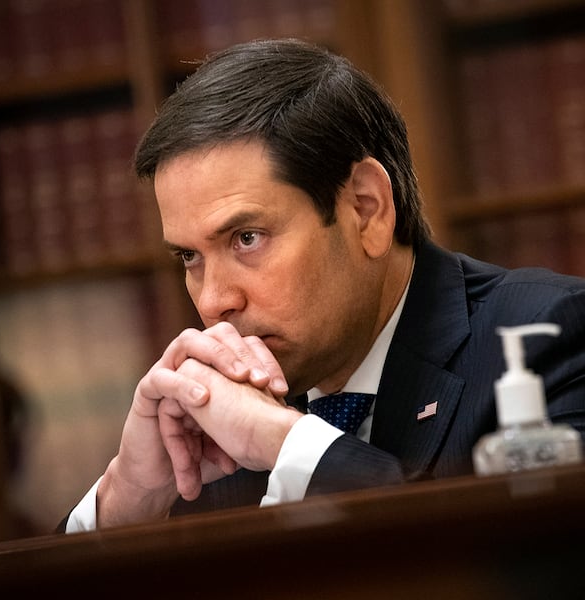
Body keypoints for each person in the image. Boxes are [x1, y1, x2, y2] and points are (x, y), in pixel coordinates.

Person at [60, 38, 585, 533]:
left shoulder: (552, 337)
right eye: (190, 256)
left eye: (247, 237)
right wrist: (128, 497)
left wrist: (284, 442)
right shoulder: (205, 434)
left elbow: (514, 569)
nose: (216, 301)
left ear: (366, 209)